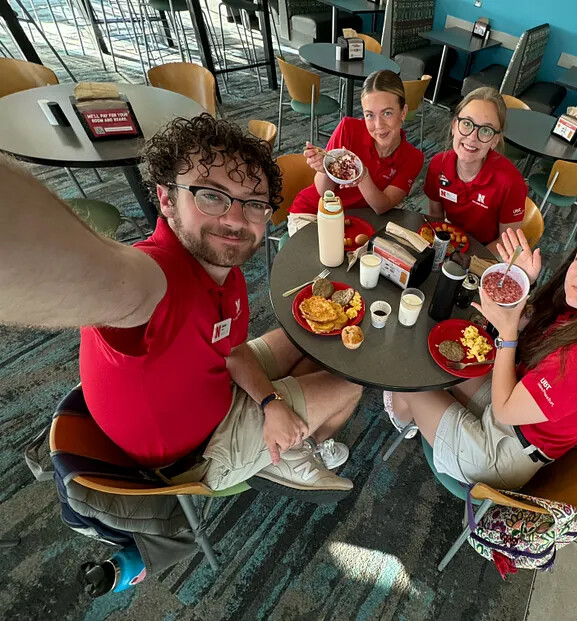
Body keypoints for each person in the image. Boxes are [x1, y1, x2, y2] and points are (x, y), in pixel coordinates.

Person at [0, 114, 362, 493]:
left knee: (310, 338)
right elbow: (74, 268)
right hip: (196, 455)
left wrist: (272, 402)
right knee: (350, 386)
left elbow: (233, 352)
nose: (235, 219)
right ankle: (299, 451)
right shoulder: (151, 279)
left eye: (253, 203)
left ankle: (282, 432)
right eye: (211, 195)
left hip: (214, 381)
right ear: (166, 199)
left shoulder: (226, 273)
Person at [384, 220, 577, 490]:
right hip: (518, 412)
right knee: (435, 358)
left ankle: (403, 415)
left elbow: (505, 410)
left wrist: (507, 335)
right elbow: (528, 323)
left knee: (410, 383)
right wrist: (522, 282)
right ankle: (417, 414)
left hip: (501, 453)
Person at [288, 69, 425, 236]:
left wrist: (362, 176)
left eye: (387, 113)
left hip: (358, 221)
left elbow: (382, 206)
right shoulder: (348, 129)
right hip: (314, 212)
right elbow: (324, 193)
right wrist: (325, 169)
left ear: (403, 113)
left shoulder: (413, 158)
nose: (378, 125)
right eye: (370, 115)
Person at [423, 87, 527, 251]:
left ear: (494, 140)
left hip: (485, 251)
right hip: (451, 243)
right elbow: (436, 218)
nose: (472, 137)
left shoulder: (510, 183)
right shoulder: (438, 164)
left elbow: (507, 242)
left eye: (485, 130)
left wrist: (469, 259)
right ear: (454, 126)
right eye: (467, 123)